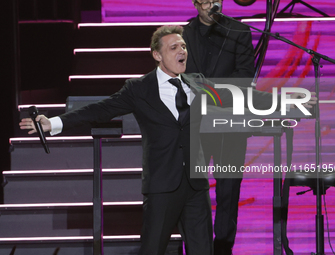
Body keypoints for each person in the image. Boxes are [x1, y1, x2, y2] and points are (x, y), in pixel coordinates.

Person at [19, 25, 316, 255]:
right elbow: (101, 108)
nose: (182, 51)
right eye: (174, 47)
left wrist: (291, 101)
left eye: (184, 46)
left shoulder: (198, 83)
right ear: (158, 55)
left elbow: (242, 97)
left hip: (195, 187)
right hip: (162, 188)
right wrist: (54, 122)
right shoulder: (139, 89)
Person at [182, 1, 258, 254]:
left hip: (230, 121)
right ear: (195, 3)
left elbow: (245, 76)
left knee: (228, 189)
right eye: (205, 0)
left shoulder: (239, 31)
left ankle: (224, 247)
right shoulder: (183, 34)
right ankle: (199, 247)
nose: (211, 5)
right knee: (194, 188)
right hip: (193, 123)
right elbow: (180, 75)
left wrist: (207, 89)